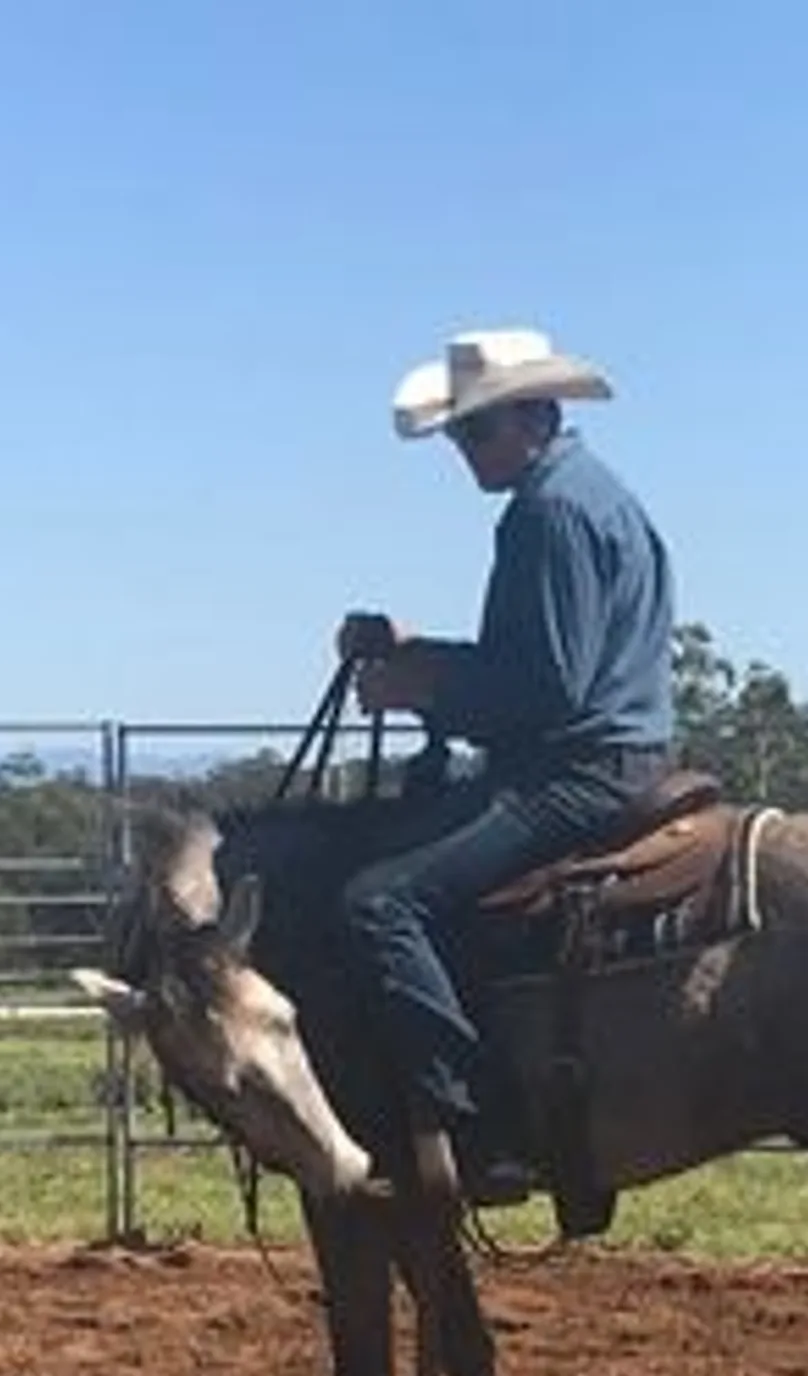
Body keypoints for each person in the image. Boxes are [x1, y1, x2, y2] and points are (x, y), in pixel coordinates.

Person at [333, 327, 675, 1201]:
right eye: (457, 434)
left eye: (477, 431)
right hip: (622, 751)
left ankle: (479, 1121)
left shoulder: (548, 513)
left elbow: (549, 689)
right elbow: (540, 661)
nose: (465, 449)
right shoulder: (592, 495)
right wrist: (424, 652)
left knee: (383, 899)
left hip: (579, 769)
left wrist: (422, 690)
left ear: (537, 415)